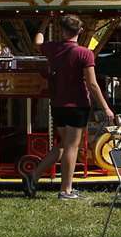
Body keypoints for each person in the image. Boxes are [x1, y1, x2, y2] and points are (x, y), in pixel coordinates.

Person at [36, 14, 113, 200]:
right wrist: (105, 108)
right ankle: (66, 190)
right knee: (72, 146)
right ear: (80, 31)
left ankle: (33, 176)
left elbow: (37, 42)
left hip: (58, 104)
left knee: (62, 145)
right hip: (77, 104)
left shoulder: (53, 48)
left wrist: (45, 22)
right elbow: (92, 84)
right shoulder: (84, 53)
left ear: (62, 30)